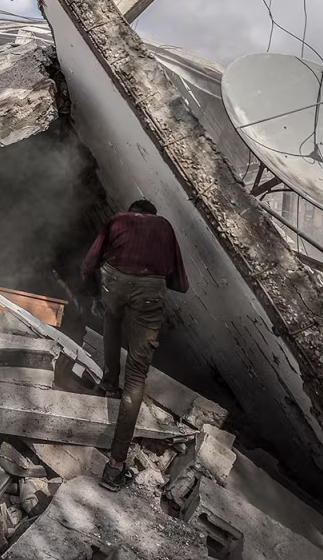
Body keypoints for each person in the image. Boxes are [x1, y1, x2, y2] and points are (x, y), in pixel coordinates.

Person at [81, 199, 188, 492]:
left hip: (112, 281)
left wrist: (94, 295)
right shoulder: (164, 227)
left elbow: (89, 263)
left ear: (133, 211)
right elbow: (181, 284)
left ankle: (108, 383)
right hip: (149, 292)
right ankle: (115, 465)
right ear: (153, 214)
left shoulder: (117, 219)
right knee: (137, 375)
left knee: (111, 318)